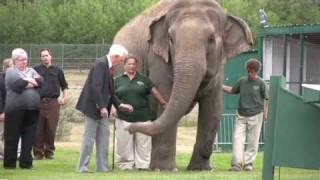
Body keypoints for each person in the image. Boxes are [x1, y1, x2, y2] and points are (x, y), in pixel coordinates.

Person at [76, 44, 133, 173]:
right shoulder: (100, 64)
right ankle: (82, 168)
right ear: (115, 56)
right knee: (89, 139)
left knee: (104, 138)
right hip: (93, 108)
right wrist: (102, 106)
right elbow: (95, 88)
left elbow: (110, 92)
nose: (121, 63)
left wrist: (120, 105)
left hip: (103, 110)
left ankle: (102, 168)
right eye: (121, 60)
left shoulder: (109, 67)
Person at [114, 55, 167, 170]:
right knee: (124, 143)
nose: (132, 66)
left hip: (143, 117)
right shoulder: (117, 80)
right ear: (125, 65)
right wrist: (113, 109)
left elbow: (154, 92)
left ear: (136, 66)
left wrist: (163, 103)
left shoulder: (143, 79)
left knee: (144, 144)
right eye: (129, 64)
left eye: (134, 64)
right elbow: (112, 97)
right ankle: (125, 165)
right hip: (123, 117)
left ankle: (143, 165)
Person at [223, 58, 268, 172]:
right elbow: (232, 90)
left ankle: (248, 164)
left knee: (253, 141)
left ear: (256, 71)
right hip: (241, 115)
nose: (249, 74)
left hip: (256, 115)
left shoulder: (261, 83)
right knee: (237, 139)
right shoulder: (242, 81)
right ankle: (236, 165)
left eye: (252, 72)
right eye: (248, 71)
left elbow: (267, 98)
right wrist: (220, 86)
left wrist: (265, 113)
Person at [3, 48, 43, 169]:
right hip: (15, 110)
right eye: (21, 60)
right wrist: (31, 82)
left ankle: (26, 163)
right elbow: (18, 85)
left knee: (29, 138)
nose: (24, 62)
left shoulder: (31, 70)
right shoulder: (11, 72)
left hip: (32, 110)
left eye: (25, 59)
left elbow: (41, 81)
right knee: (12, 137)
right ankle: (10, 164)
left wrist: (29, 81)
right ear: (15, 61)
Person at [33, 48, 69, 160]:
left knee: (51, 128)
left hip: (53, 102)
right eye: (42, 56)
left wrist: (65, 98)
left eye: (46, 55)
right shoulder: (35, 70)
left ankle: (49, 152)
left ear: (51, 56)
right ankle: (38, 152)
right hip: (38, 102)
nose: (45, 58)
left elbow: (64, 86)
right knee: (38, 128)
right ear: (40, 58)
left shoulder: (58, 70)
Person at [0, 58, 13, 160]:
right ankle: (7, 154)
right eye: (10, 66)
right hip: (4, 111)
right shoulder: (1, 80)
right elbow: (2, 97)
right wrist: (3, 112)